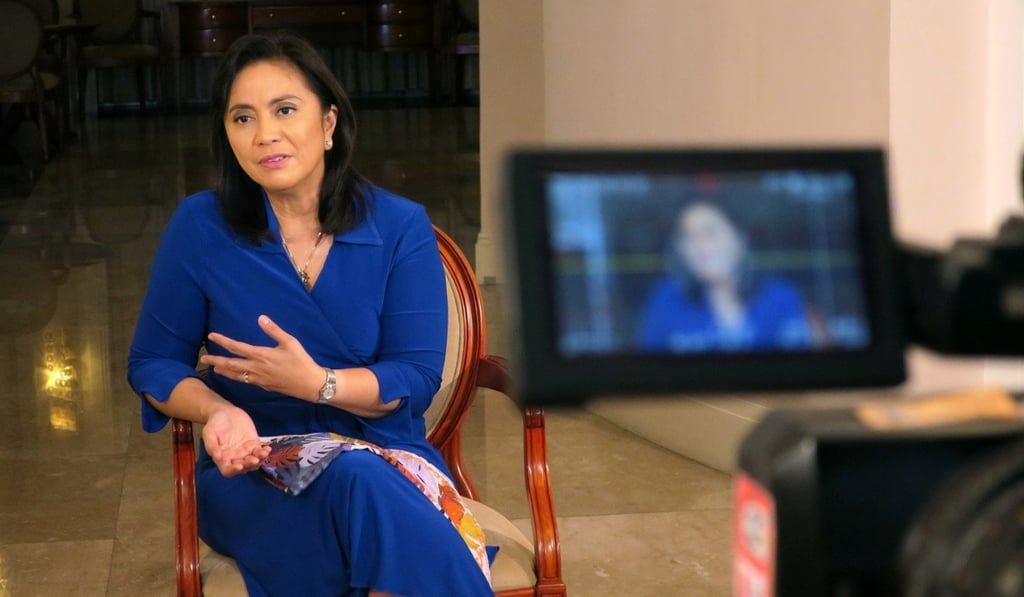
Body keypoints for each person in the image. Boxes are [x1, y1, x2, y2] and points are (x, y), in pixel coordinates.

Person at [127, 33, 493, 597]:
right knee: (366, 497)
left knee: (361, 480)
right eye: (243, 118)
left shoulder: (400, 226)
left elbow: (416, 376)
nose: (264, 134)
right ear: (227, 136)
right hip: (256, 472)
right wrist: (220, 411)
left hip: (385, 458)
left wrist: (318, 384)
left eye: (285, 110)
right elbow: (153, 363)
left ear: (328, 124)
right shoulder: (199, 226)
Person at [639, 201, 812, 352]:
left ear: (739, 238)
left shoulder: (782, 297)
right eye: (688, 237)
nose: (700, 246)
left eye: (710, 233)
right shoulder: (666, 301)